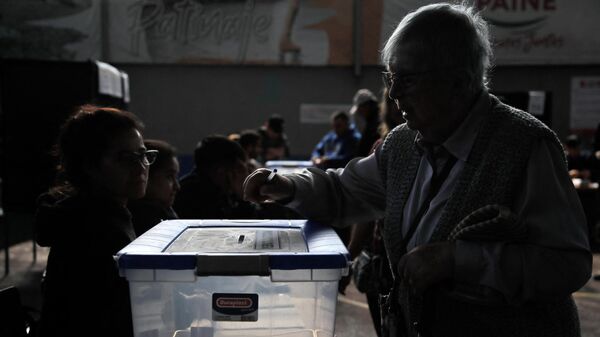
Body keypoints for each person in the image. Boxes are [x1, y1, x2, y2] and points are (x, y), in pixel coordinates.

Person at [244, 3, 591, 337]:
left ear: (458, 81)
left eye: (407, 80)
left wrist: (459, 259)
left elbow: (567, 263)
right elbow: (344, 191)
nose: (393, 93)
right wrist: (286, 185)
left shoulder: (526, 145)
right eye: (391, 78)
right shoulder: (402, 144)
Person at [35, 105, 152, 337]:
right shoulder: (94, 228)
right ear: (90, 165)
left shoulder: (103, 212)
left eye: (143, 155)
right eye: (126, 158)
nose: (141, 167)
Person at [173, 135, 259, 219]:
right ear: (221, 170)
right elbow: (235, 227)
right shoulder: (194, 196)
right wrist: (244, 197)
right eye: (240, 169)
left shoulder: (219, 189)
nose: (246, 175)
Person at [128, 139, 180, 236]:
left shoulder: (164, 212)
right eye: (169, 176)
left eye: (175, 177)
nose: (177, 186)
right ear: (146, 175)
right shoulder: (146, 220)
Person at [351, 88, 381, 157]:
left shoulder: (375, 123)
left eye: (360, 108)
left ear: (367, 105)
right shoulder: (370, 121)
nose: (360, 112)